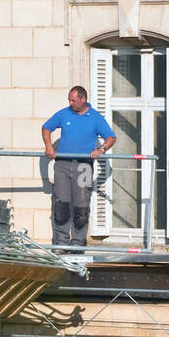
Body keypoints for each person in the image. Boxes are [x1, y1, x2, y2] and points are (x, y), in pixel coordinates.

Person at [42, 85, 116, 247]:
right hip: (62, 164)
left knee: (81, 206)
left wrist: (101, 149)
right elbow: (46, 127)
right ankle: (60, 243)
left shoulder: (95, 117)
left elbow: (111, 137)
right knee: (61, 205)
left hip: (83, 166)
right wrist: (49, 146)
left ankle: (77, 243)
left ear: (83, 99)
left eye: (73, 100)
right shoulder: (65, 113)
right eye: (69, 100)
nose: (70, 103)